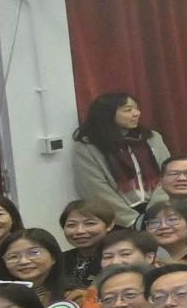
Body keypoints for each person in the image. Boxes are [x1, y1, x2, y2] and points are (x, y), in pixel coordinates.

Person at [72, 90, 170, 223]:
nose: (136, 113)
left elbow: (168, 175)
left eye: (136, 109)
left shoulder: (152, 138)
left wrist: (155, 213)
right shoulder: (88, 147)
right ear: (107, 114)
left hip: (159, 211)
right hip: (119, 218)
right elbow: (95, 189)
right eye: (128, 110)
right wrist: (134, 221)